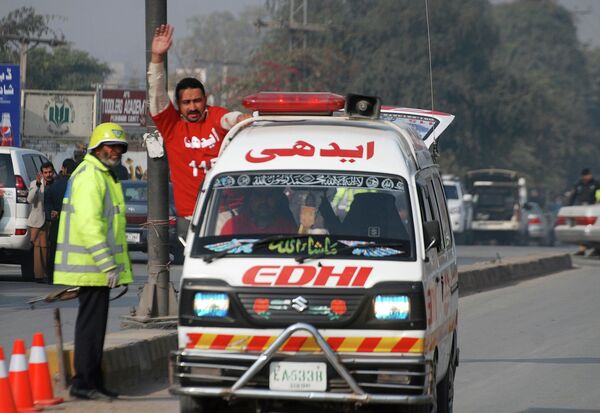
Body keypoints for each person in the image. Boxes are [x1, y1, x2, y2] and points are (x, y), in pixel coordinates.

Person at [148, 24, 250, 240]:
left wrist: (240, 118)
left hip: (229, 213)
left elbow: (227, 119)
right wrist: (157, 57)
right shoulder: (172, 126)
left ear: (205, 100)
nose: (193, 107)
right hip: (192, 215)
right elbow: (156, 96)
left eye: (197, 101)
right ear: (178, 104)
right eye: (186, 103)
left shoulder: (215, 116)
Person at [53, 122, 133, 401]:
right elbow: (90, 225)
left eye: (120, 148)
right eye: (112, 146)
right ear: (97, 147)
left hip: (96, 268)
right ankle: (82, 382)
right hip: (91, 266)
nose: (116, 152)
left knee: (96, 328)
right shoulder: (90, 176)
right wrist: (107, 263)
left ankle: (94, 381)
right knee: (90, 328)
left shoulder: (104, 174)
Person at [44, 158, 77, 283]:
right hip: (72, 225)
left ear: (64, 169)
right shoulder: (78, 184)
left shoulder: (55, 185)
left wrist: (51, 213)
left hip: (56, 224)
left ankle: (52, 277)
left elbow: (47, 203)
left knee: (54, 251)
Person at [220, 188, 297, 235]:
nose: (263, 201)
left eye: (269, 195)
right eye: (258, 195)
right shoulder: (233, 226)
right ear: (250, 199)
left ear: (277, 199)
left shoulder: (287, 227)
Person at [27, 161, 55, 282]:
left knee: (45, 249)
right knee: (36, 248)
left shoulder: (56, 183)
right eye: (45, 172)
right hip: (37, 220)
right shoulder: (35, 183)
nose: (48, 174)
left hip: (50, 220)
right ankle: (37, 275)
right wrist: (38, 185)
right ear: (41, 173)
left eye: (50, 172)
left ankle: (44, 274)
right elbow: (30, 199)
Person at [568, 168, 600, 256]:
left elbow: (599, 195)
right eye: (584, 176)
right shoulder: (578, 184)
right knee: (582, 229)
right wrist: (569, 205)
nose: (585, 178)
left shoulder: (596, 184)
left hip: (593, 209)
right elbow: (573, 195)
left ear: (590, 175)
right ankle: (582, 249)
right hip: (580, 209)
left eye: (587, 176)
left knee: (593, 229)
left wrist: (598, 202)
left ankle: (597, 249)